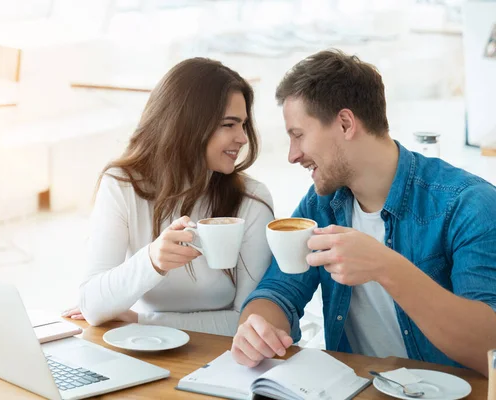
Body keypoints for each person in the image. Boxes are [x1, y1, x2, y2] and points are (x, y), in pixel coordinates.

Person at [231, 49, 496, 376]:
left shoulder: (468, 204)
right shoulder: (321, 205)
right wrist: (255, 329)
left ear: (345, 123)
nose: (292, 155)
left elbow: (489, 348)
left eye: (298, 135)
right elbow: (278, 291)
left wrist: (385, 266)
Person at [62, 57, 274, 336]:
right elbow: (92, 305)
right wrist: (151, 260)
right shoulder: (122, 186)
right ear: (188, 125)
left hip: (225, 359)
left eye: (243, 125)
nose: (243, 138)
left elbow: (248, 323)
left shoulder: (252, 200)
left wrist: (143, 321)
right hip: (147, 351)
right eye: (229, 125)